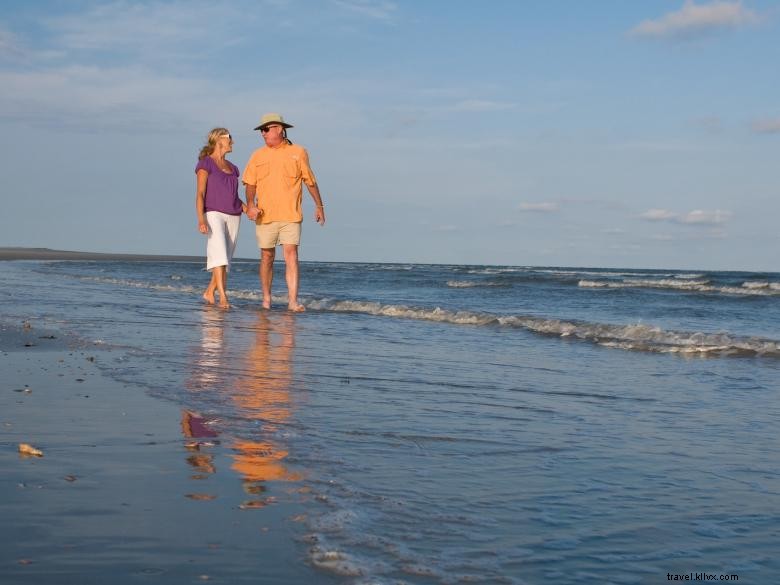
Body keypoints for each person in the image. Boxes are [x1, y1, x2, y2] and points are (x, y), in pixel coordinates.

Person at [243, 113, 325, 311]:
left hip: (291, 214)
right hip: (265, 215)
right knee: (266, 256)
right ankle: (266, 299)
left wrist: (319, 206)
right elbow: (249, 184)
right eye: (261, 131)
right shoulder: (257, 155)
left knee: (291, 254)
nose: (262, 134)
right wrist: (250, 204)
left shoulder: (298, 152)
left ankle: (292, 301)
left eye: (266, 129)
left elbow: (310, 181)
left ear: (279, 129)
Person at [195, 128, 245, 308]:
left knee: (226, 260)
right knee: (219, 255)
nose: (232, 141)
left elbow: (233, 196)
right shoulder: (205, 163)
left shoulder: (234, 169)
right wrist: (201, 219)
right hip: (213, 213)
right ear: (219, 141)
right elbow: (200, 193)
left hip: (234, 215)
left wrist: (248, 209)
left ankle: (209, 292)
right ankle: (223, 298)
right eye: (229, 138)